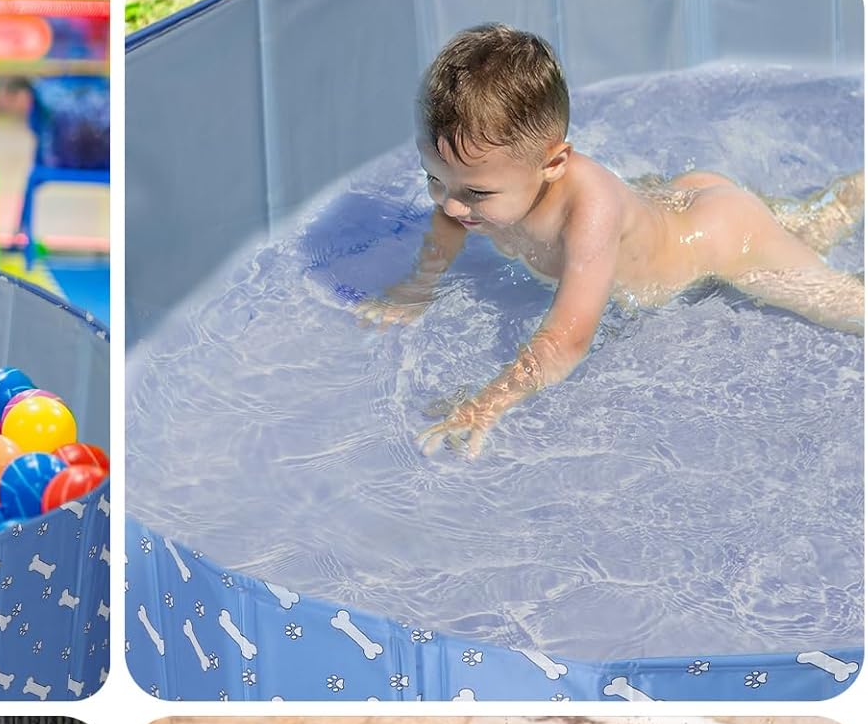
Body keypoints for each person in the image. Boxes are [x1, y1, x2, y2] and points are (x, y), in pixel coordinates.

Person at [358, 25, 865, 457]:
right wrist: (416, 288)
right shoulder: (470, 189)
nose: (448, 204)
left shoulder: (589, 210)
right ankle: (840, 205)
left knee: (838, 303)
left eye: (473, 193)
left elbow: (569, 337)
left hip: (717, 236)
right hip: (670, 205)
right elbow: (446, 225)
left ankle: (848, 200)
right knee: (803, 233)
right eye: (433, 180)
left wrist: (490, 401)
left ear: (553, 163)